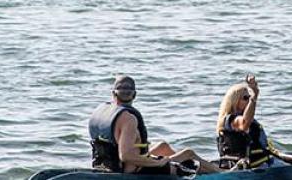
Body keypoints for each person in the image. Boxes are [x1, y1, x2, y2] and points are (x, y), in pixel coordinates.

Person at [88, 75, 220, 175]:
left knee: (162, 146)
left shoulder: (104, 111)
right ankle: (223, 173)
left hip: (108, 164)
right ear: (134, 95)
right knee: (189, 154)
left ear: (113, 93)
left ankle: (198, 165)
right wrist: (158, 162)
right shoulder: (128, 119)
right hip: (133, 170)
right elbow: (126, 156)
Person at [216, 75, 272, 169]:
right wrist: (254, 98)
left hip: (261, 162)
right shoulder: (230, 120)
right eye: (246, 98)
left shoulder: (245, 119)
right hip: (253, 166)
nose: (249, 100)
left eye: (249, 97)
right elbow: (244, 124)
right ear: (235, 101)